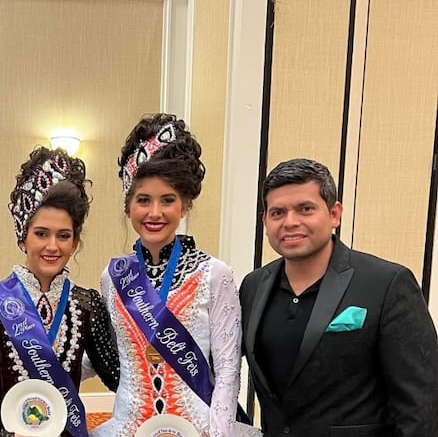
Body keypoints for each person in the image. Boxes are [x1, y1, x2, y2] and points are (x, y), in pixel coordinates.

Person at [239, 158, 438, 436]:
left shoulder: (386, 284)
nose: (290, 222)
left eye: (305, 209)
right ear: (265, 221)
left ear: (334, 214)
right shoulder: (253, 286)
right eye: (278, 213)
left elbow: (421, 406)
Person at [0, 147, 120, 437]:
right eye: (41, 233)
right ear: (23, 237)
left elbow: (116, 376)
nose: (52, 246)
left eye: (63, 236)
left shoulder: (87, 304)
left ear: (75, 242)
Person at [93, 113, 242, 437]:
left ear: (185, 205)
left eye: (168, 200)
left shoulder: (214, 274)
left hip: (197, 429)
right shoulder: (113, 276)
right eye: (143, 200)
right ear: (128, 205)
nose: (155, 213)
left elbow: (229, 370)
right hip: (128, 428)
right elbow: (103, 353)